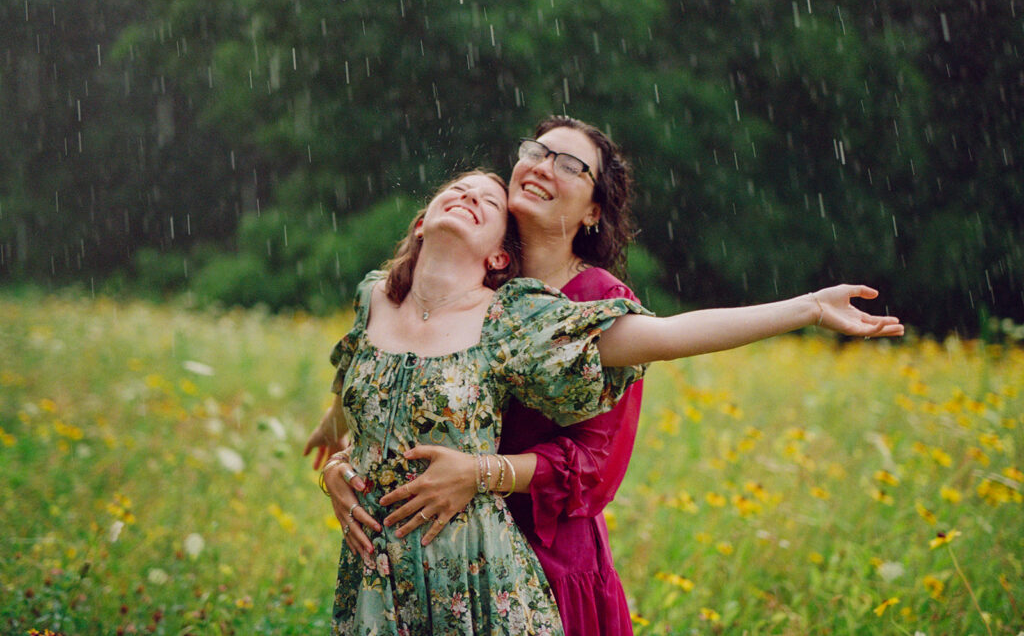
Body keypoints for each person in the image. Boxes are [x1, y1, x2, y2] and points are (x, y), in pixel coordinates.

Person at [306, 162, 902, 635]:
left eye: (488, 202)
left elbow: (665, 337)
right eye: (456, 190)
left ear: (498, 258)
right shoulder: (374, 298)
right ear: (420, 222)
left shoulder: (512, 320)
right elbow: (359, 375)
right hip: (374, 578)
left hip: (473, 575)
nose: (470, 197)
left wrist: (806, 309)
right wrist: (338, 456)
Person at [310, 116, 647, 636]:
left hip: (547, 557)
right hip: (429, 552)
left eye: (570, 165)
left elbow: (596, 469)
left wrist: (479, 473)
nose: (542, 167)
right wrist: (342, 466)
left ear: (594, 211)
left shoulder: (600, 303)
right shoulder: (466, 280)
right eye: (536, 151)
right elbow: (405, 404)